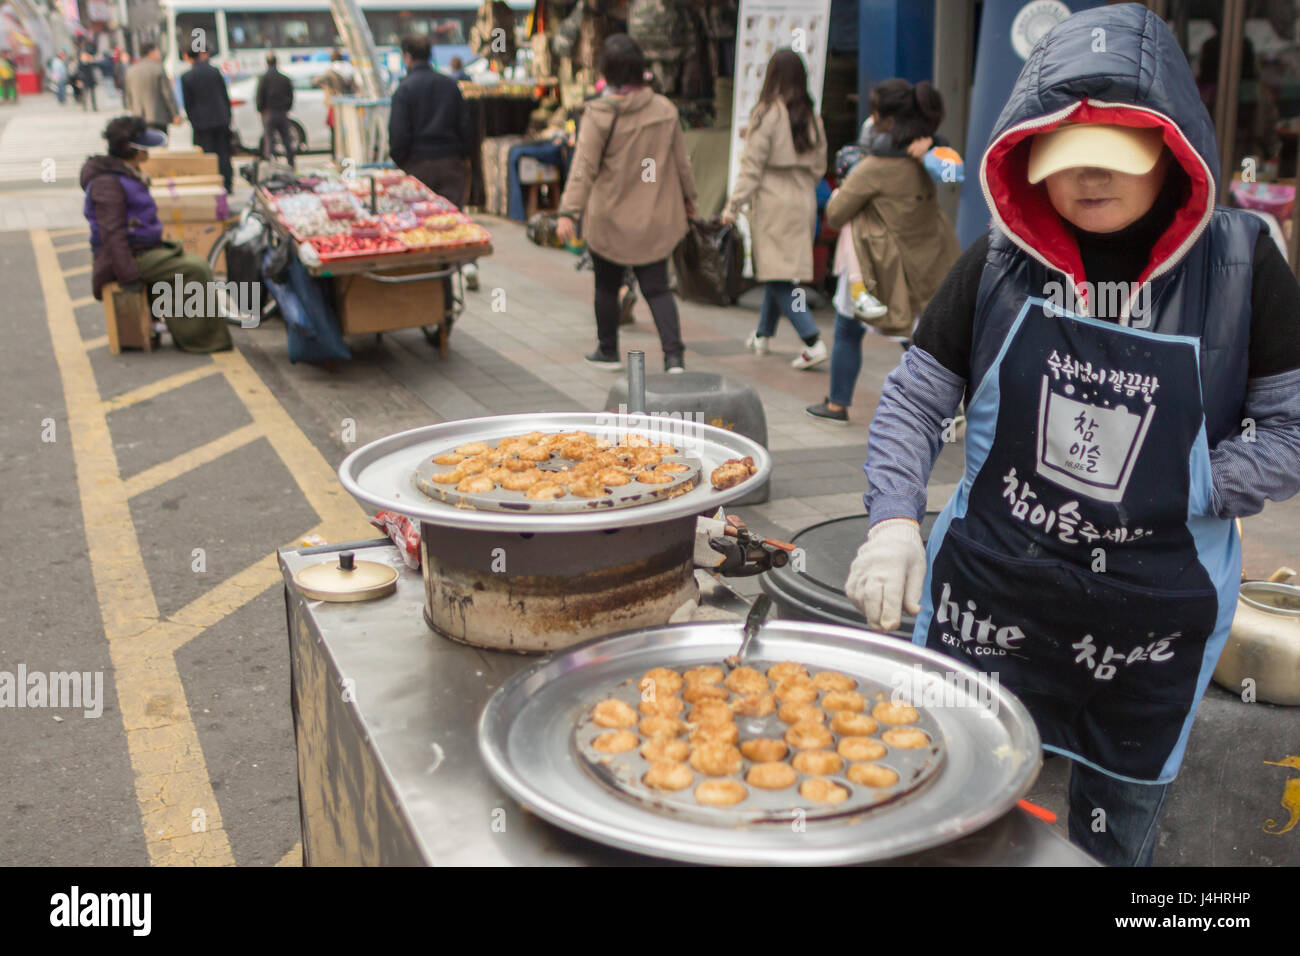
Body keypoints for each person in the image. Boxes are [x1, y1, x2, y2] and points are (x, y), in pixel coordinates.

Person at [845, 4, 1300, 866]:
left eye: (1115, 151)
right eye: (1064, 155)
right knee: (938, 808)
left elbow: (1291, 427)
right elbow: (914, 401)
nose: (1088, 177)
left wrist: (1195, 480)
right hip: (995, 601)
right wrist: (893, 519)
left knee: (1111, 840)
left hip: (1147, 625)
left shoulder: (1245, 267)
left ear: (1172, 144)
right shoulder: (998, 264)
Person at [806, 79, 960, 424]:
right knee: (914, 336)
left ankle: (838, 403)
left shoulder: (874, 168)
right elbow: (953, 171)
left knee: (854, 328)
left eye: (874, 111)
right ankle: (953, 407)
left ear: (885, 120)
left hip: (880, 265)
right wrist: (935, 142)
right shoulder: (927, 156)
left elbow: (835, 214)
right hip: (927, 257)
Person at [555, 34, 698, 373]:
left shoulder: (599, 113)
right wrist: (691, 203)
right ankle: (674, 357)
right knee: (658, 288)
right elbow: (682, 164)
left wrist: (568, 213)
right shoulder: (665, 111)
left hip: (611, 217)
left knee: (606, 284)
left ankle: (607, 351)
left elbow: (583, 168)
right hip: (654, 217)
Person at [81, 116, 232, 353]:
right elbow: (112, 235)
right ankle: (200, 339)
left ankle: (187, 328)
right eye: (144, 148)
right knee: (195, 269)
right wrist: (128, 275)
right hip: (127, 257)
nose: (149, 153)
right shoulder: (107, 184)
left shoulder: (126, 173)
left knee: (192, 262)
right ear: (131, 150)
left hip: (144, 248)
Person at [721, 48, 828, 370]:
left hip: (772, 202)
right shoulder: (812, 116)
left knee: (779, 276)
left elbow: (752, 167)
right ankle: (763, 334)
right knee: (776, 268)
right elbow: (820, 165)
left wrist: (732, 205)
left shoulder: (766, 113)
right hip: (802, 200)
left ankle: (812, 340)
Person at [388, 34, 476, 287]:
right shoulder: (450, 85)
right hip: (451, 163)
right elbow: (466, 127)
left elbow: (398, 135)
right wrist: (462, 155)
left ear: (407, 57)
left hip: (418, 165)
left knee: (421, 226)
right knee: (453, 220)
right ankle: (466, 263)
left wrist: (403, 161)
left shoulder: (404, 89)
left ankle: (430, 283)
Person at [180, 44, 233, 192]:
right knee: (223, 153)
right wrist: (228, 116)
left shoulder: (187, 77)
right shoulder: (214, 72)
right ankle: (227, 184)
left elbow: (188, 104)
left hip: (201, 122)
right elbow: (224, 96)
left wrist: (193, 121)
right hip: (221, 118)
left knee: (208, 155)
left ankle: (213, 184)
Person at [123, 42, 182, 131]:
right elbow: (167, 94)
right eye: (157, 51)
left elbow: (128, 96)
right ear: (151, 52)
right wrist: (175, 114)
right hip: (158, 117)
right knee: (159, 143)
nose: (159, 54)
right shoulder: (158, 69)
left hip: (138, 118)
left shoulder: (131, 70)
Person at [313, 49, 356, 156]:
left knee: (335, 132)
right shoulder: (350, 69)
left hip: (337, 105)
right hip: (351, 105)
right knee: (350, 131)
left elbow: (317, 81)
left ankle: (336, 154)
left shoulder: (331, 71)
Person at [256, 53, 295, 167]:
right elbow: (290, 95)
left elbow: (260, 96)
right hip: (282, 112)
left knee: (269, 139)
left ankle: (270, 163)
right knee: (286, 139)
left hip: (268, 112)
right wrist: (287, 108)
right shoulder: (284, 78)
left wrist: (260, 109)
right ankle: (291, 162)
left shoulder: (263, 78)